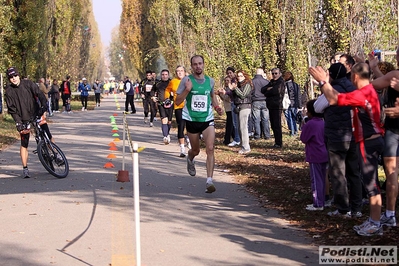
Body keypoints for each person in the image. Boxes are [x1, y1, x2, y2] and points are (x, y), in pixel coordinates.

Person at [309, 62, 384, 236]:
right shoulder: (368, 90)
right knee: (364, 180)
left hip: (368, 142)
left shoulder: (363, 94)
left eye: (352, 77)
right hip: (368, 140)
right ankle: (372, 220)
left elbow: (334, 99)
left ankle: (375, 223)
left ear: (355, 77)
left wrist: (322, 82)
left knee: (372, 186)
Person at [314, 63, 363, 218]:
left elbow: (317, 107)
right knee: (354, 172)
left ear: (331, 75)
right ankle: (357, 207)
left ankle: (343, 208)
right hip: (353, 134)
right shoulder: (353, 87)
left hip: (336, 136)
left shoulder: (330, 90)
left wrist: (325, 83)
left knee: (338, 172)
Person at [175, 55, 223, 193]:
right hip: (192, 119)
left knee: (210, 148)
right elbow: (178, 101)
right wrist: (187, 90)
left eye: (200, 63)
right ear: (191, 66)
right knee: (195, 150)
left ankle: (209, 181)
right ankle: (190, 158)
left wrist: (217, 107)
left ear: (203, 65)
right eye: (195, 64)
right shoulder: (186, 80)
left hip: (207, 120)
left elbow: (212, 96)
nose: (198, 66)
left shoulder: (210, 81)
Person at [368, 51, 399, 228]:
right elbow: (386, 82)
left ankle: (390, 214)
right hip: (393, 130)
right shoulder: (393, 77)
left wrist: (360, 78)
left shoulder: (395, 75)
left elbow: (372, 86)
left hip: (394, 130)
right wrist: (374, 68)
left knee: (392, 174)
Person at [4, 67, 48, 178]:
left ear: (18, 75)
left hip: (36, 113)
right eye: (11, 77)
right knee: (24, 143)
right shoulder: (9, 91)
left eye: (15, 76)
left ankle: (56, 155)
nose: (13, 78)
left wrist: (44, 104)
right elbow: (12, 109)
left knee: (47, 135)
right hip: (23, 119)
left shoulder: (28, 83)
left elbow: (39, 93)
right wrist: (18, 122)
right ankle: (25, 168)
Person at [300, 99, 328, 211]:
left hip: (314, 154)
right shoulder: (323, 122)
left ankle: (318, 203)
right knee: (322, 177)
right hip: (324, 153)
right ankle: (323, 200)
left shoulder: (311, 124)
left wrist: (304, 125)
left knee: (316, 180)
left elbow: (304, 138)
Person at [165, 65, 190, 157]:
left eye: (181, 71)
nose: (179, 72)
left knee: (190, 125)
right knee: (181, 126)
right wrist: (167, 98)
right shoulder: (173, 81)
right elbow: (167, 90)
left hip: (189, 107)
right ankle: (182, 148)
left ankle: (189, 138)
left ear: (184, 72)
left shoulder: (189, 80)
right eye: (178, 71)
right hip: (178, 106)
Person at [261, 68, 285, 148]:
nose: (274, 75)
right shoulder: (271, 82)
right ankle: (276, 141)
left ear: (279, 74)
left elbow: (276, 91)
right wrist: (268, 90)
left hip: (277, 105)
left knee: (277, 125)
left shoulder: (281, 82)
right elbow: (263, 90)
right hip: (270, 105)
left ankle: (279, 142)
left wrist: (268, 91)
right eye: (273, 73)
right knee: (273, 125)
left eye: (276, 73)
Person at [230, 70, 253, 154]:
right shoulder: (239, 85)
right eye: (238, 76)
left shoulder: (247, 84)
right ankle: (243, 145)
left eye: (241, 76)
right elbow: (235, 96)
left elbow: (243, 95)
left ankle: (246, 147)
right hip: (239, 107)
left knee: (243, 127)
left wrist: (235, 88)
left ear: (245, 76)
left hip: (245, 106)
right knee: (240, 128)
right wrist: (232, 89)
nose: (239, 77)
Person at [152, 69, 172, 144]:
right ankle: (165, 136)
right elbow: (152, 91)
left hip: (170, 104)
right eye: (163, 74)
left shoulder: (171, 82)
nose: (164, 76)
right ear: (161, 75)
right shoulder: (157, 83)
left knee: (169, 122)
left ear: (168, 75)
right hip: (161, 104)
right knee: (164, 120)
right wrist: (153, 97)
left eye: (166, 74)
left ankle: (167, 133)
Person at [251, 68, 270, 140]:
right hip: (265, 101)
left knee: (256, 119)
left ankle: (257, 135)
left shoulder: (252, 82)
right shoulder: (266, 82)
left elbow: (251, 92)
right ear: (262, 73)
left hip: (255, 101)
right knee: (265, 119)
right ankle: (267, 135)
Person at [216, 76, 234, 145]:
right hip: (227, 109)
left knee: (230, 125)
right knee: (230, 124)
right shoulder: (225, 89)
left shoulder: (230, 90)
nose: (226, 82)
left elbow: (228, 99)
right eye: (225, 80)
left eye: (228, 80)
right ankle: (232, 138)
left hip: (231, 108)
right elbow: (224, 99)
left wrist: (222, 93)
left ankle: (227, 140)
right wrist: (219, 95)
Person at [283, 71, 302, 137]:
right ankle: (296, 131)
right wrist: (300, 105)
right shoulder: (296, 85)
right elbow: (299, 96)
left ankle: (292, 131)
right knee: (294, 117)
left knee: (289, 118)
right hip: (294, 103)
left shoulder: (284, 85)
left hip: (286, 103)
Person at [225, 67, 241, 147]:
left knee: (236, 122)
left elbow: (234, 93)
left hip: (235, 102)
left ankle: (237, 139)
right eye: (228, 73)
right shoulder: (232, 81)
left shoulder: (235, 81)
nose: (229, 74)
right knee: (235, 122)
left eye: (230, 73)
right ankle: (237, 138)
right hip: (233, 102)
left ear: (234, 73)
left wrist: (226, 92)